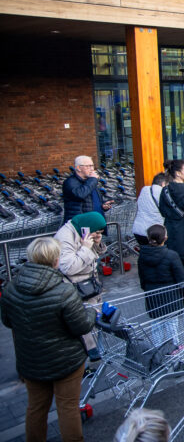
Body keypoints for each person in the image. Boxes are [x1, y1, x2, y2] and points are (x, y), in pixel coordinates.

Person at [1, 237, 96, 442]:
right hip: (65, 359)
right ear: (55, 260)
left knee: (36, 407)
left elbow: (8, 322)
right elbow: (81, 326)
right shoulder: (63, 291)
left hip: (30, 359)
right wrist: (93, 313)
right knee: (68, 407)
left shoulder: (11, 288)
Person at [54, 211, 106, 361]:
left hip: (89, 285)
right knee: (84, 319)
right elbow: (68, 267)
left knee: (94, 317)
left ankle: (95, 348)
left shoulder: (84, 233)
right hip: (77, 287)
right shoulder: (65, 238)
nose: (98, 234)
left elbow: (94, 255)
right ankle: (90, 351)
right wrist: (85, 248)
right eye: (97, 232)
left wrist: (96, 244)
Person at [137, 224, 184, 349]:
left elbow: (142, 277)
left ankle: (157, 349)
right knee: (172, 324)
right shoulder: (172, 255)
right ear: (165, 238)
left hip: (152, 294)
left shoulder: (142, 255)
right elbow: (181, 278)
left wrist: (147, 289)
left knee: (156, 324)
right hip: (171, 295)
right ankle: (174, 347)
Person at [62, 155, 113, 223]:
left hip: (93, 221)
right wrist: (93, 180)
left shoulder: (89, 181)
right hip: (80, 223)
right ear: (79, 168)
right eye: (88, 166)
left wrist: (102, 206)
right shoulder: (70, 182)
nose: (92, 169)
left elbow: (91, 201)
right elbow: (80, 195)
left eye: (92, 166)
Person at [132, 172, 168, 246]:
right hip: (154, 233)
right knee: (157, 254)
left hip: (138, 229)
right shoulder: (161, 192)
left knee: (145, 253)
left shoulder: (144, 189)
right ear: (163, 183)